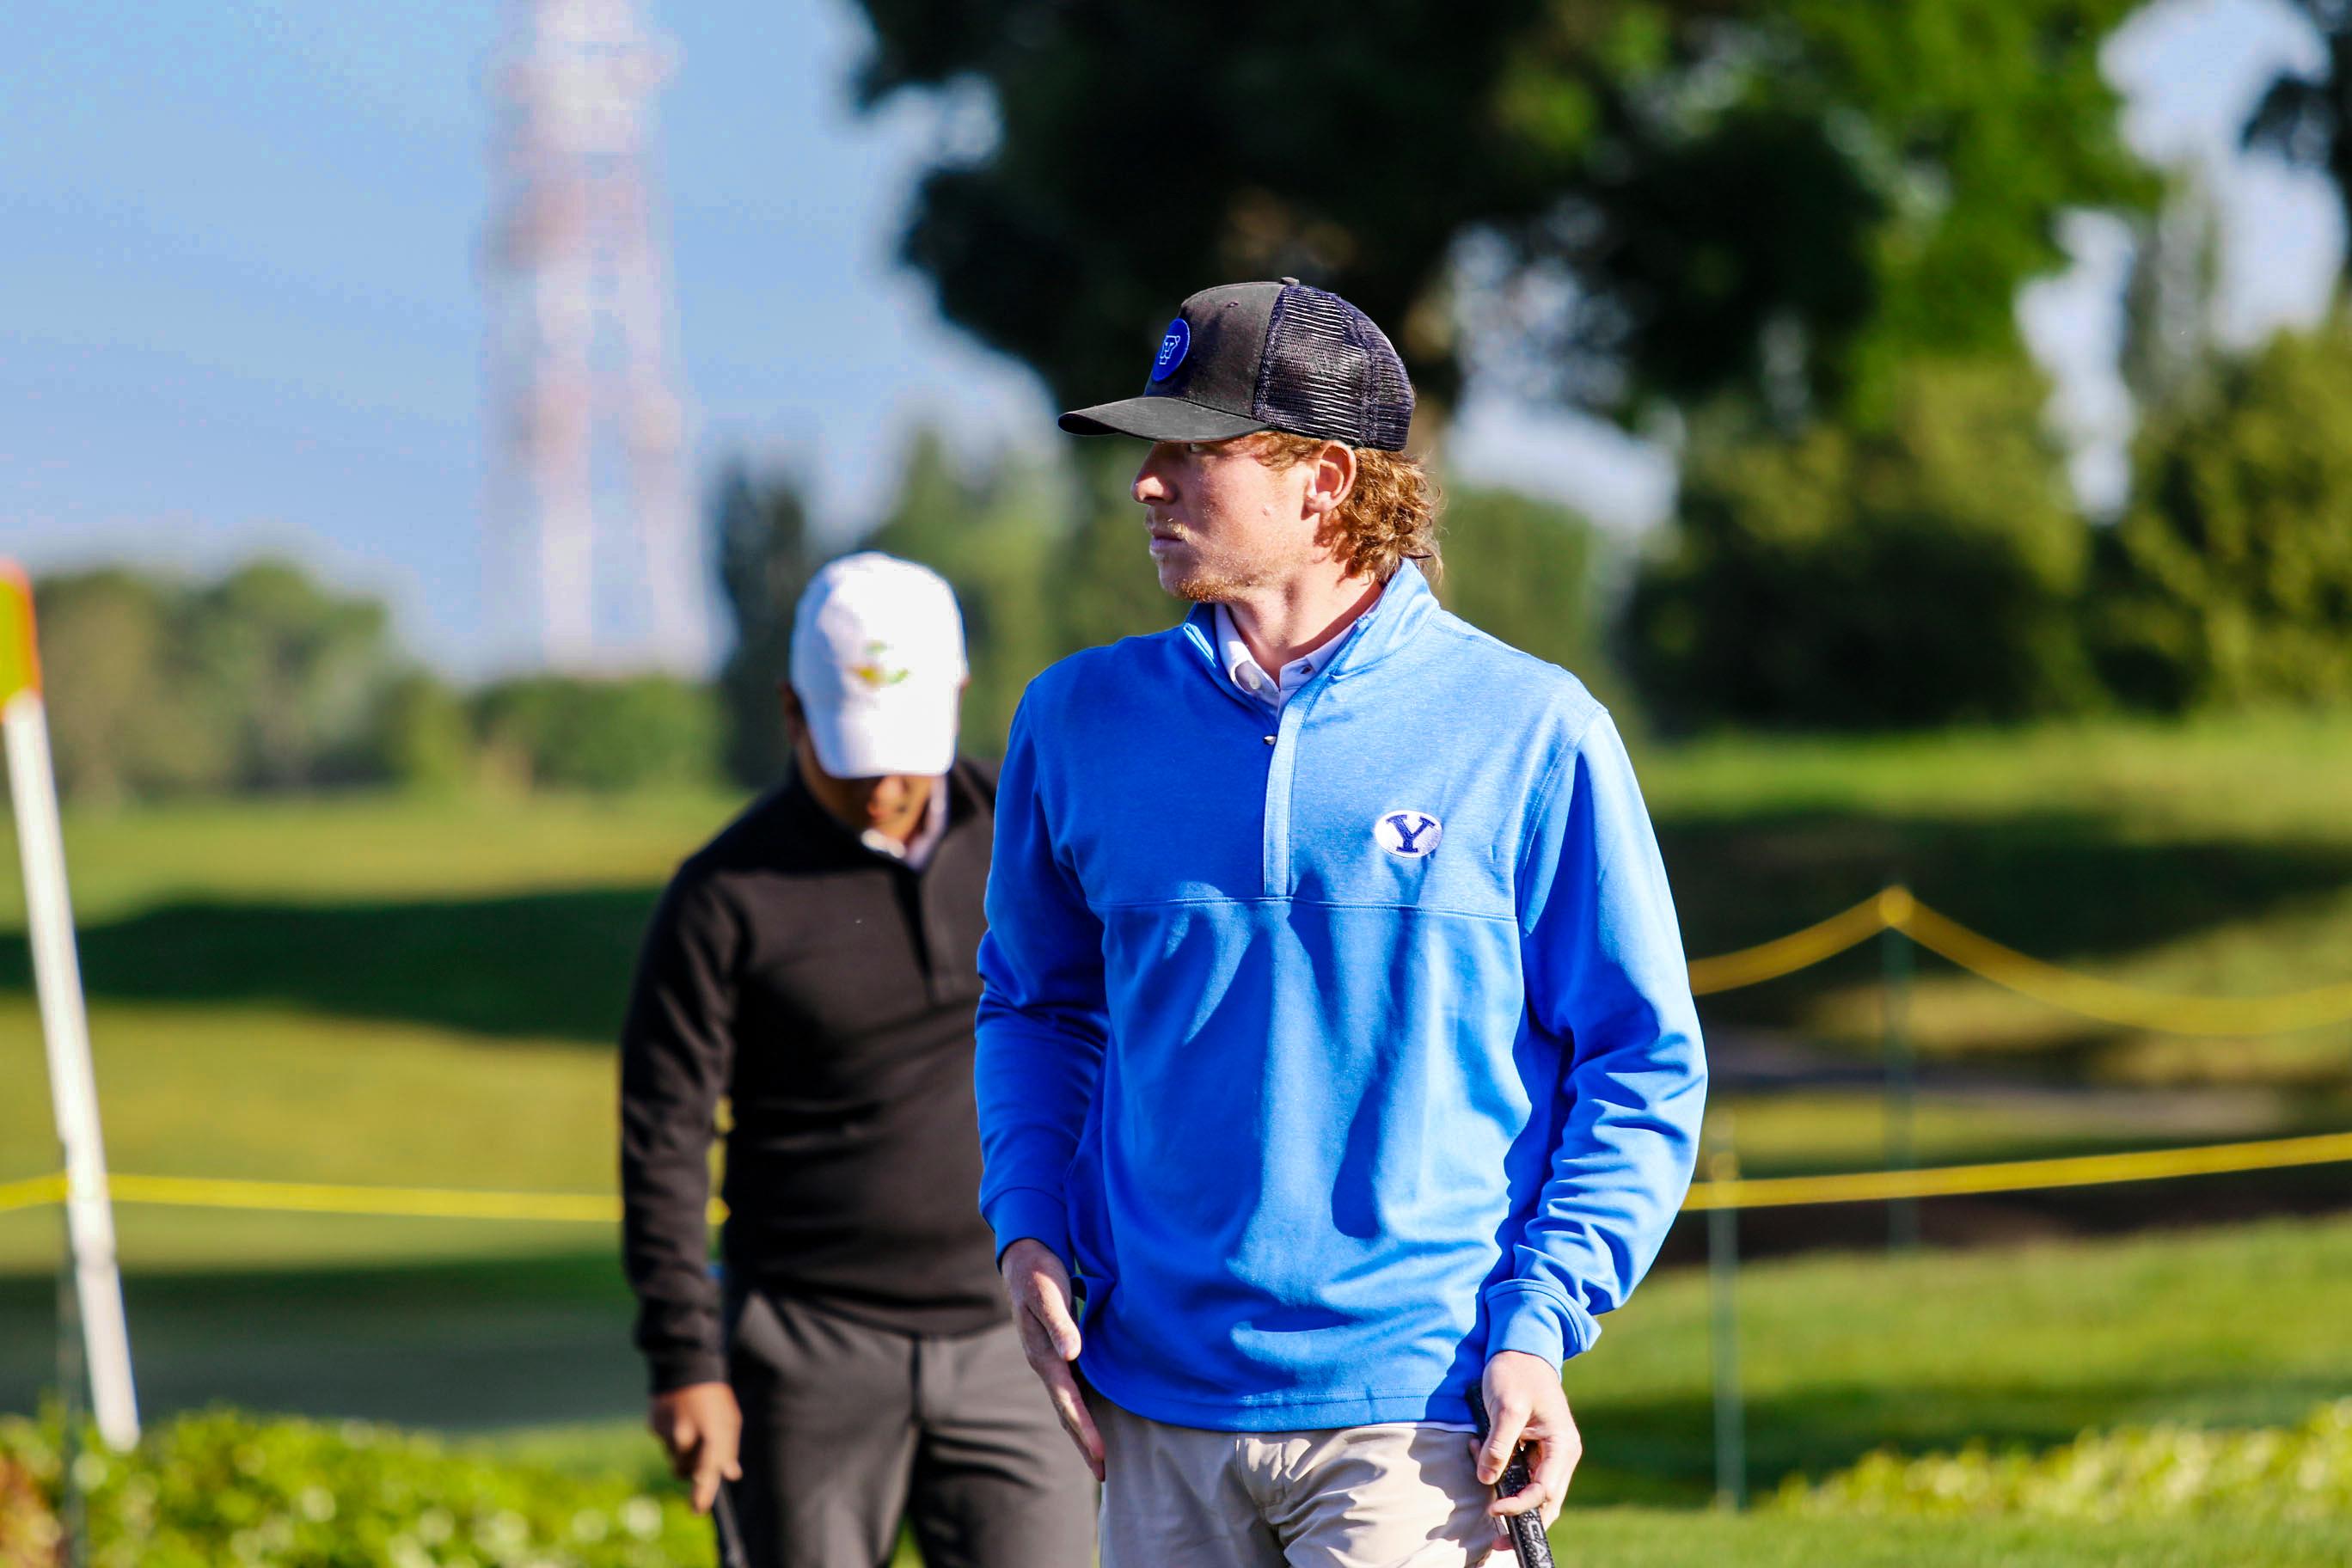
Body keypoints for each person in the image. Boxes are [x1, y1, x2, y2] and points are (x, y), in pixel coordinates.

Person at [976, 281, 1708, 1566]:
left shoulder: (1530, 730)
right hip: (1152, 1403)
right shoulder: (1074, 721)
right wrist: (1030, 1219)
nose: (1146, 484)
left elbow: (1640, 1061)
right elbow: (1038, 1006)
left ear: (1322, 478)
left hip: (1425, 1410)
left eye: (1192, 452)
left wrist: (1541, 1324)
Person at [620, 552, 1095, 1568]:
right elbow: (662, 1142)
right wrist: (684, 1359)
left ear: (958, 697)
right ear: (793, 711)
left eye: (906, 753)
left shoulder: (1035, 846)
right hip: (803, 1348)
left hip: (1019, 1335)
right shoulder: (721, 894)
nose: (885, 785)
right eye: (853, 755)